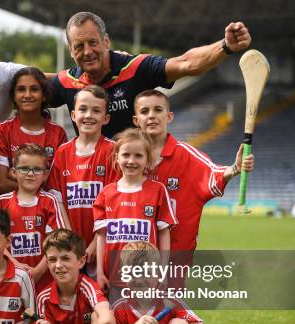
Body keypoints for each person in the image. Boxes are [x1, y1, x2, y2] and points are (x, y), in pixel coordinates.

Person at [51, 11, 252, 138]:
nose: (87, 52)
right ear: (70, 50)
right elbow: (27, 82)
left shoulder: (136, 67)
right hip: (92, 188)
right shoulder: (67, 82)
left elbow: (186, 63)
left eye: (93, 43)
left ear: (106, 41)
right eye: (79, 46)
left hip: (136, 181)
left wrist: (225, 46)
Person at [133, 89, 254, 252]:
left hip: (175, 259)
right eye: (144, 111)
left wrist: (235, 168)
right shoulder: (125, 159)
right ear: (136, 120)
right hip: (132, 257)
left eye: (158, 110)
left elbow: (213, 174)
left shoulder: (187, 156)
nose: (151, 115)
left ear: (169, 116)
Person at [93, 128, 177, 293]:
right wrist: (100, 273)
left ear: (147, 160)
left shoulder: (158, 190)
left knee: (145, 318)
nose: (131, 161)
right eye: (126, 155)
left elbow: (164, 233)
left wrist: (163, 271)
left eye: (138, 155)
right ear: (116, 157)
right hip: (113, 277)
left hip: (146, 276)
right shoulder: (106, 193)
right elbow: (101, 235)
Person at [46, 85, 118, 277]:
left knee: (103, 299)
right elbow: (58, 199)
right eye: (83, 109)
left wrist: (97, 241)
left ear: (106, 118)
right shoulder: (62, 152)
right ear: (72, 114)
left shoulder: (113, 151)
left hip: (104, 243)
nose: (89, 115)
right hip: (71, 245)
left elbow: (115, 203)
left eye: (96, 110)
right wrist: (72, 240)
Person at [0, 144, 69, 294]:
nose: (30, 173)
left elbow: (58, 241)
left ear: (45, 175)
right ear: (14, 172)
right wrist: (14, 265)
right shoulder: (2, 202)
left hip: (44, 281)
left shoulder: (49, 201)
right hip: (10, 279)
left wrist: (38, 271)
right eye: (24, 168)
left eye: (37, 169)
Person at [0, 67, 67, 194]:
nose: (27, 95)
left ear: (44, 96)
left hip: (46, 210)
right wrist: (39, 181)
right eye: (21, 89)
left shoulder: (58, 133)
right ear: (14, 96)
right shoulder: (2, 130)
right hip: (10, 211)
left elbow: (56, 183)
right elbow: (1, 183)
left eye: (34, 89)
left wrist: (16, 177)